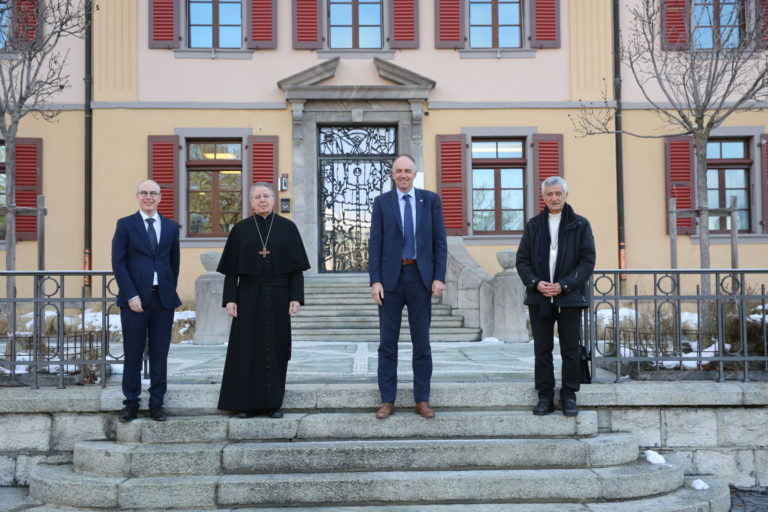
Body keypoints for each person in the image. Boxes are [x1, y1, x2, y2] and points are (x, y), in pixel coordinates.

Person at [217, 183, 310, 419]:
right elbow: (231, 272)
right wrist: (230, 299)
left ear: (274, 199)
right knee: (245, 349)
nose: (262, 200)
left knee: (276, 348)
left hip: (279, 295)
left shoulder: (288, 228)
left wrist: (296, 297)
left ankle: (272, 404)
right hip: (248, 295)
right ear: (251, 202)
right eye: (257, 197)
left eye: (266, 196)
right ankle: (245, 404)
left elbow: (296, 269)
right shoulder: (240, 230)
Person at [368, 154, 448, 419]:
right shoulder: (382, 202)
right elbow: (375, 244)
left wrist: (439, 277)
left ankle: (422, 400)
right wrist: (375, 280)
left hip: (420, 278)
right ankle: (387, 400)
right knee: (387, 343)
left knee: (421, 343)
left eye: (407, 171)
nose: (403, 175)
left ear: (415, 174)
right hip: (390, 280)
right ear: (393, 175)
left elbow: (439, 242)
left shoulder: (431, 200)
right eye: (398, 171)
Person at [515, 176, 595, 417]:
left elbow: (587, 260)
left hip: (569, 297)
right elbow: (522, 260)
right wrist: (536, 283)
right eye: (549, 194)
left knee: (570, 349)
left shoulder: (580, 224)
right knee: (542, 349)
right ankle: (545, 396)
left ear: (565, 195)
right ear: (543, 196)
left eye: (558, 193)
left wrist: (564, 285)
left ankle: (569, 395)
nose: (554, 198)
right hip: (540, 297)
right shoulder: (534, 225)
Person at [112, 180, 181, 422]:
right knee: (133, 353)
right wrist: (130, 295)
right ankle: (130, 403)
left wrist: (168, 290)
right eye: (144, 193)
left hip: (162, 299)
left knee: (160, 353)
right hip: (135, 300)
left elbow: (174, 264)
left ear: (160, 197)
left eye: (153, 193)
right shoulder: (125, 225)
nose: (148, 197)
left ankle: (157, 403)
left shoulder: (171, 227)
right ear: (137, 196)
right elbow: (118, 262)